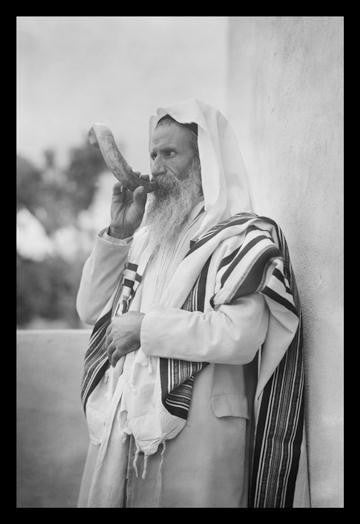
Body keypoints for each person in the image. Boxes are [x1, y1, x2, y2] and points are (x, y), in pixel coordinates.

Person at [76, 99, 310, 508]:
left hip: (200, 436)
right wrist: (117, 234)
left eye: (170, 153)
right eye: (153, 153)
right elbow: (90, 310)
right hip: (127, 434)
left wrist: (145, 330)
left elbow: (242, 335)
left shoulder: (239, 237)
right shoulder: (144, 238)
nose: (155, 166)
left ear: (205, 163)